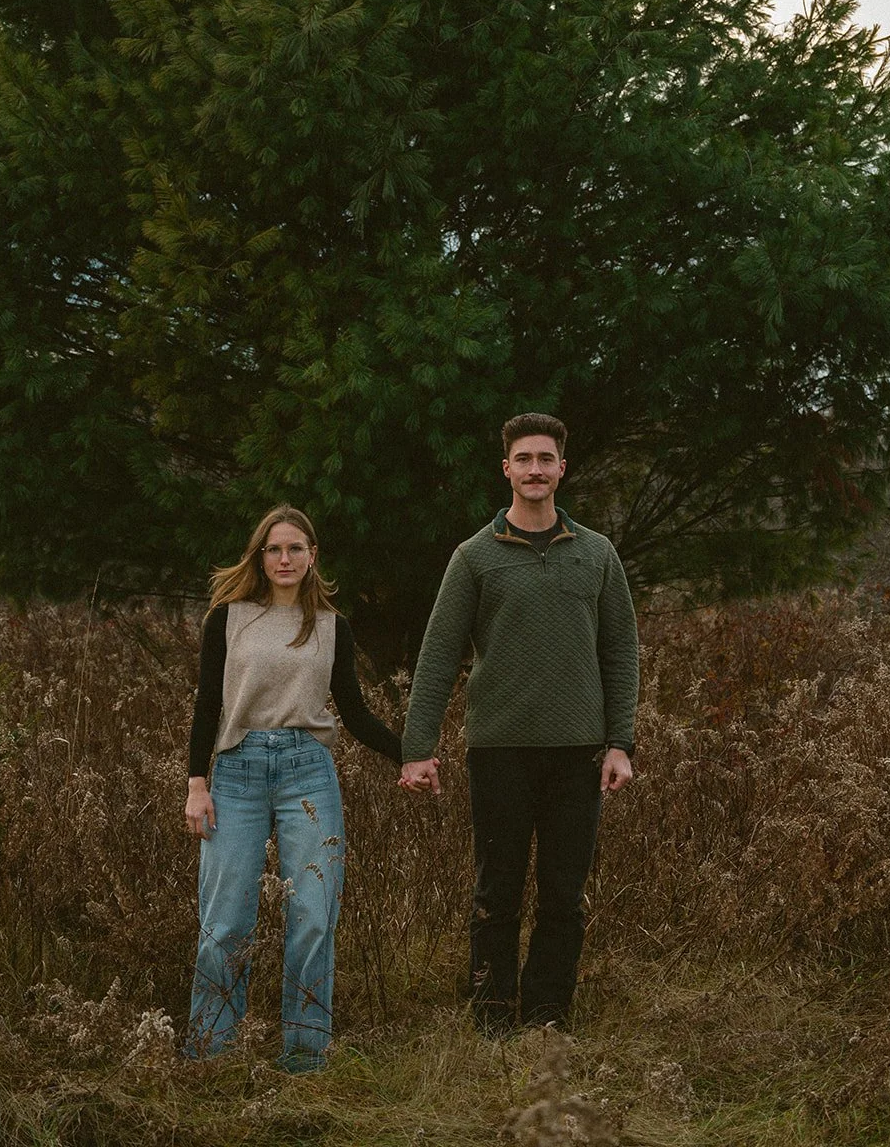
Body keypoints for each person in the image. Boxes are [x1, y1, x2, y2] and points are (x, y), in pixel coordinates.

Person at [399, 413, 639, 1032]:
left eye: (546, 458)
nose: (535, 469)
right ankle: (493, 1018)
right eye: (524, 459)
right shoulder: (474, 558)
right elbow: (437, 654)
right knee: (495, 894)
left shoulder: (597, 555)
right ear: (506, 469)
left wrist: (620, 743)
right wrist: (416, 748)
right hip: (499, 750)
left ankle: (548, 1018)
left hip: (579, 752)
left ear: (563, 468)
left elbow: (619, 651)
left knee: (565, 895)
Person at [184, 504, 401, 1072]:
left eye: (296, 549)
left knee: (313, 914)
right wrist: (196, 784)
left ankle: (305, 1057)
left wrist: (412, 751)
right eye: (275, 549)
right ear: (260, 555)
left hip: (309, 771)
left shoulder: (332, 626)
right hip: (237, 772)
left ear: (312, 557)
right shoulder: (227, 619)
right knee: (227, 919)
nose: (285, 558)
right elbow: (207, 705)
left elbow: (353, 711)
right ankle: (211, 1053)